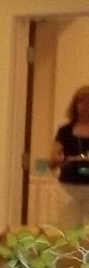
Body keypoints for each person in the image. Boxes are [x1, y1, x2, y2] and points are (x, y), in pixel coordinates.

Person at [51, 84, 89, 226]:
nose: (85, 106)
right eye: (81, 101)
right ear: (75, 105)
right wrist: (59, 160)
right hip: (68, 189)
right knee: (69, 232)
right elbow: (53, 159)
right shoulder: (65, 130)